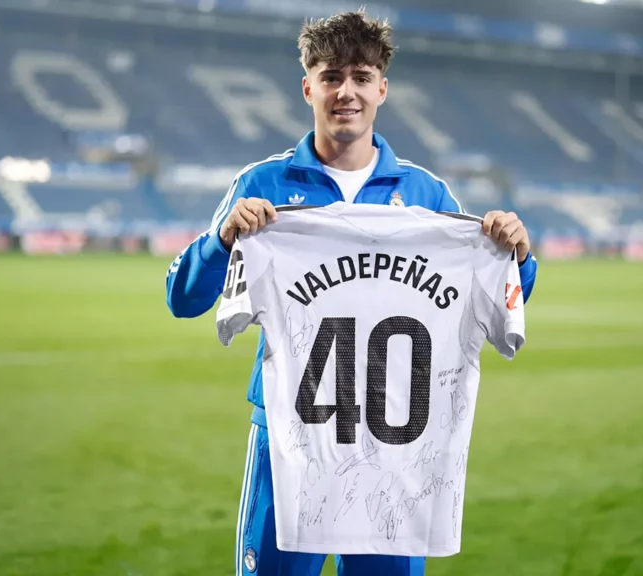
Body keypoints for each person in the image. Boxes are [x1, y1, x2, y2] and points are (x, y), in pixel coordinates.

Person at [165, 9, 538, 575]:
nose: (346, 92)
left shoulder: (424, 193)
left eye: (361, 77)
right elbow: (182, 297)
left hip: (399, 445)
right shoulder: (262, 184)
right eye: (332, 76)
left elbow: (498, 295)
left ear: (382, 89)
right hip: (293, 437)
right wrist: (222, 239)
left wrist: (518, 255)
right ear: (307, 86)